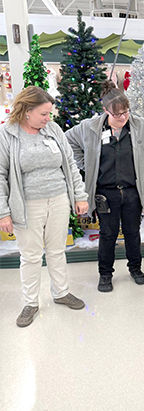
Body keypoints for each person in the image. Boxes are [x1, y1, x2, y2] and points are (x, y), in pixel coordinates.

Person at [66, 81, 144, 292]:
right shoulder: (89, 127)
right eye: (117, 114)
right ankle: (105, 275)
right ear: (105, 110)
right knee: (108, 234)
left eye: (126, 112)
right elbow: (68, 141)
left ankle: (135, 269)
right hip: (106, 193)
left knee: (132, 233)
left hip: (132, 192)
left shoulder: (140, 125)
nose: (123, 117)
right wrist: (85, 164)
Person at [0, 86, 89, 327]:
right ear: (27, 111)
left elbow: (70, 164)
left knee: (57, 250)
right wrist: (3, 213)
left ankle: (61, 293)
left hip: (58, 199)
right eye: (44, 114)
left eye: (49, 114)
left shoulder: (53, 130)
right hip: (27, 205)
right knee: (30, 256)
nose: (48, 119)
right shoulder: (7, 135)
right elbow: (0, 175)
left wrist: (80, 196)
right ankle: (30, 302)